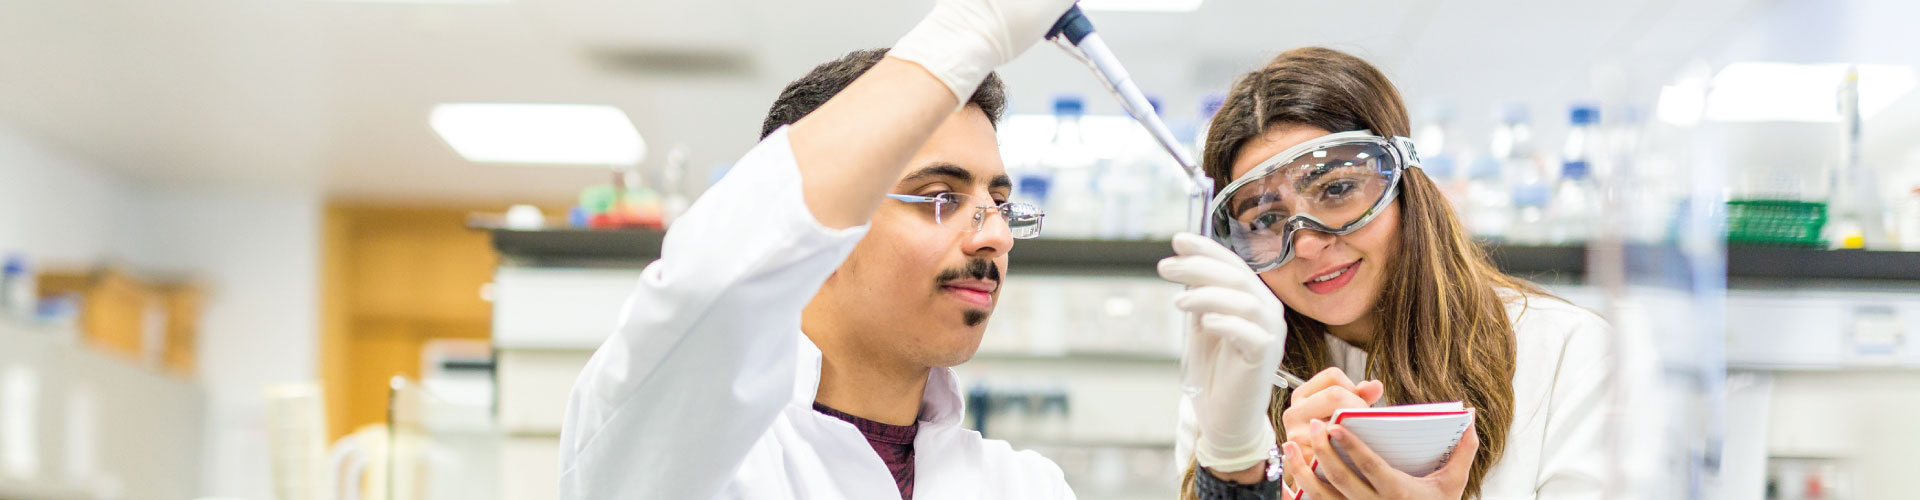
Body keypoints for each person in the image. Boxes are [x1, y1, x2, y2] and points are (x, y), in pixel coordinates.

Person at [555, 1, 1080, 498]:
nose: (997, 236)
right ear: (828, 220)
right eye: (941, 197)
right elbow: (705, 287)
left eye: (999, 203)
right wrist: (964, 37)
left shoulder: (1027, 487)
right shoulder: (694, 457)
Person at [1160, 47, 1620, 500]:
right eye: (1264, 219)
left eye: (1337, 189)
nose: (1307, 244)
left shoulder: (1568, 353)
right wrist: (1242, 471)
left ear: (1406, 184)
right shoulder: (1235, 386)